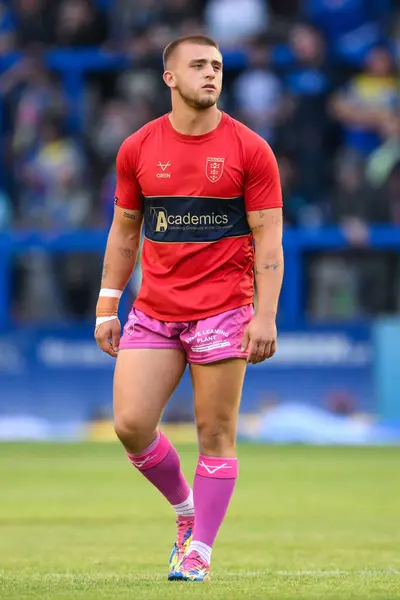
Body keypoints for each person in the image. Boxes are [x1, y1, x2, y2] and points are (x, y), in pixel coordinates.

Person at [94, 34, 283, 582]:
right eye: (198, 65)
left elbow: (269, 243)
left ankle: (199, 550)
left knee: (215, 433)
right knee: (130, 425)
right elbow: (125, 230)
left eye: (217, 66)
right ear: (169, 78)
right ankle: (186, 512)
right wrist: (109, 305)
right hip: (154, 309)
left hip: (224, 310)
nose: (211, 74)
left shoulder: (251, 149)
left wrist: (265, 315)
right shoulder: (137, 147)